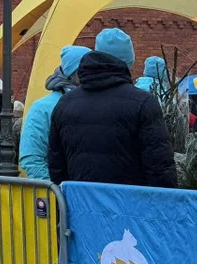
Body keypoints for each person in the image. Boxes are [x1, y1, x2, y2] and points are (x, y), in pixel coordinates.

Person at [48, 28, 177, 188]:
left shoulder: (65, 103)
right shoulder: (143, 103)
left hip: (80, 205)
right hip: (130, 206)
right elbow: (160, 167)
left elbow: (56, 165)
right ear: (128, 62)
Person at [18, 46, 91, 180]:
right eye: (85, 70)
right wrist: (56, 191)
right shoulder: (42, 107)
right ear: (73, 73)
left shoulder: (96, 101)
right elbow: (31, 157)